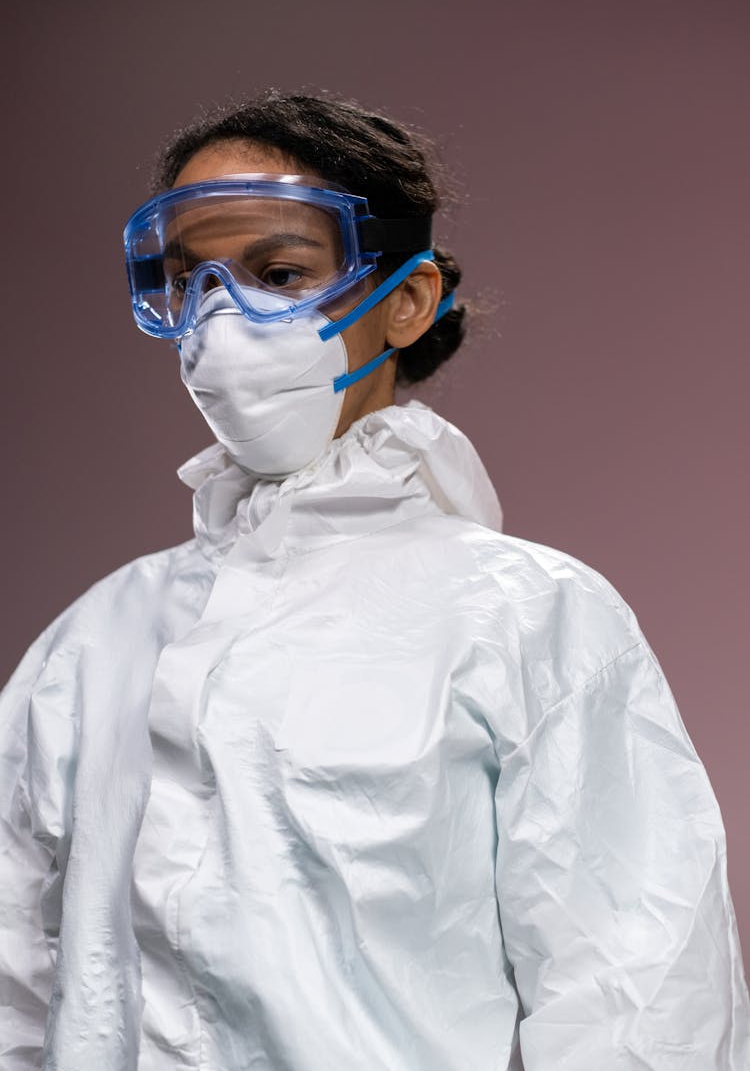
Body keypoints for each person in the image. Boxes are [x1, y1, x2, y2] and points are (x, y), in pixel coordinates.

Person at [1, 92, 747, 1071]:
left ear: (406, 298)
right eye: (193, 282)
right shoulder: (92, 642)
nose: (221, 322)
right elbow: (15, 975)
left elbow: (640, 1006)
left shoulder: (527, 618)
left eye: (278, 273)